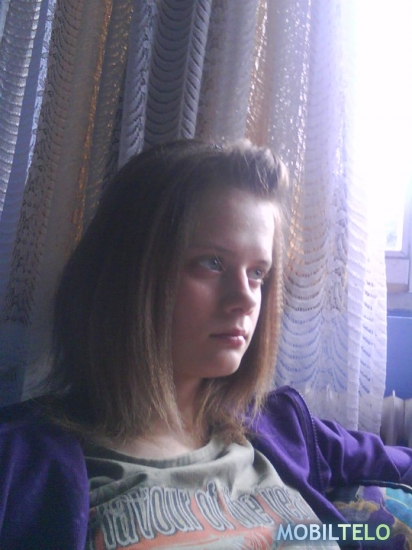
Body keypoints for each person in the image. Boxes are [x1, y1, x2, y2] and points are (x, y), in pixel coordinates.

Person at [0, 139, 411, 550]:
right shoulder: (22, 466)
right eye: (212, 263)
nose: (246, 298)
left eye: (258, 273)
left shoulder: (281, 425)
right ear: (128, 274)